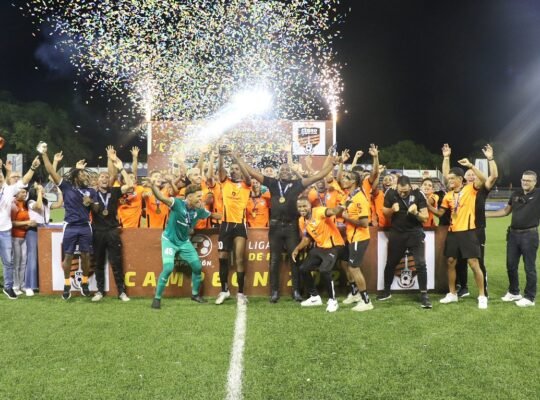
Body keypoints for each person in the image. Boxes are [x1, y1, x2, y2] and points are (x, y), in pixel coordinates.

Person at [234, 146, 341, 303]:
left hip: (291, 226)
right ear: (278, 172)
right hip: (275, 227)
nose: (284, 171)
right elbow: (253, 173)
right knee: (274, 260)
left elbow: (318, 176)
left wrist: (332, 165)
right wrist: (239, 160)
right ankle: (274, 292)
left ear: (291, 172)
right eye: (282, 170)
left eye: (287, 170)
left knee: (294, 258)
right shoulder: (272, 182)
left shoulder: (297, 184)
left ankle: (296, 291)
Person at [428, 152, 488, 309]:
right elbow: (440, 213)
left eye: (452, 178)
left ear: (460, 179)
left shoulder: (470, 189)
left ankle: (482, 296)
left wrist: (471, 166)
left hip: (468, 231)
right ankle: (452, 294)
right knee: (450, 262)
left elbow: (483, 179)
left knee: (473, 263)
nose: (449, 181)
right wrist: (427, 205)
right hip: (453, 233)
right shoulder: (448, 196)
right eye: (448, 179)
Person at [150, 183, 221, 309]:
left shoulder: (199, 210)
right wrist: (152, 186)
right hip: (169, 241)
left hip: (184, 242)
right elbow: (161, 197)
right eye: (198, 196)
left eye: (201, 196)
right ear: (189, 197)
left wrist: (228, 217)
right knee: (168, 268)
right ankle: (157, 298)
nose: (201, 199)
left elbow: (213, 215)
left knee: (197, 267)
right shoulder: (177, 204)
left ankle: (195, 295)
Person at [41, 147, 98, 301]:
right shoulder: (66, 186)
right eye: (82, 174)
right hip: (70, 226)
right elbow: (50, 171)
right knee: (68, 256)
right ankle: (67, 285)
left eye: (86, 174)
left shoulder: (91, 191)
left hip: (85, 226)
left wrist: (91, 202)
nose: (85, 176)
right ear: (76, 176)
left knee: (86, 255)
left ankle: (84, 283)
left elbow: (97, 209)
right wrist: (45, 154)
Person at [444, 144, 498, 298]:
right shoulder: (459, 191)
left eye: (473, 174)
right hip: (460, 228)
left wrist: (490, 159)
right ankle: (463, 288)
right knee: (459, 261)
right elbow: (447, 175)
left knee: (477, 261)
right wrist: (446, 157)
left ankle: (483, 292)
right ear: (463, 178)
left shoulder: (481, 189)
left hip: (477, 228)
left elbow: (493, 176)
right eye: (468, 175)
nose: (471, 176)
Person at [486, 170, 540, 307]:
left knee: (529, 267)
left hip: (529, 235)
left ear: (535, 182)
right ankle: (514, 292)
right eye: (523, 179)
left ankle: (530, 297)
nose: (525, 182)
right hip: (513, 235)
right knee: (511, 265)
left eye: (528, 180)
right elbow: (505, 211)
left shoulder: (538, 194)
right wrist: (485, 214)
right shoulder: (516, 193)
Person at [378, 175, 432, 308]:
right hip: (397, 234)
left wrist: (416, 213)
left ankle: (424, 295)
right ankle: (386, 291)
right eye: (400, 191)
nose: (402, 194)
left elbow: (425, 217)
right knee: (391, 263)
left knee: (420, 264)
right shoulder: (390, 192)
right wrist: (392, 210)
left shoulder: (418, 193)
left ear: (410, 186)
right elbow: (384, 212)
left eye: (406, 192)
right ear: (396, 186)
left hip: (415, 234)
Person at [90, 149, 133, 302]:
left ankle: (121, 292)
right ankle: (100, 291)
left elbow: (130, 185)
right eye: (102, 177)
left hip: (112, 231)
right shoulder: (92, 193)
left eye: (107, 177)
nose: (104, 178)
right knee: (98, 262)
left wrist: (121, 168)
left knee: (116, 262)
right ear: (97, 180)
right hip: (97, 231)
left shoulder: (114, 191)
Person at [291, 197, 345, 313]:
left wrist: (340, 207)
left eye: (304, 206)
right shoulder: (302, 220)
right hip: (320, 247)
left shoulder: (319, 211)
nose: (302, 209)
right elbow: (307, 238)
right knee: (303, 268)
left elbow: (332, 211)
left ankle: (333, 300)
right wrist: (297, 249)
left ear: (310, 206)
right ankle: (315, 297)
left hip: (334, 246)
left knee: (324, 270)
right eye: (299, 207)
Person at [215, 147, 252, 305]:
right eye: (232, 169)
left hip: (239, 225)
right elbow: (220, 169)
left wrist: (236, 158)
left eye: (237, 169)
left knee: (239, 259)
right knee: (222, 258)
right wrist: (221, 156)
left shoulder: (246, 185)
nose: (234, 171)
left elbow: (248, 176)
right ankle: (224, 291)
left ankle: (241, 293)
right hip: (225, 224)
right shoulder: (225, 182)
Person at [1, 156, 40, 300]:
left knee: (11, 262)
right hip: (10, 233)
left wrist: (33, 167)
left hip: (7, 232)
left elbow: (24, 181)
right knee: (11, 262)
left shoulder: (10, 191)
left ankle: (11, 286)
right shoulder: (8, 192)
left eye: (0, 177)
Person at [339, 170, 374, 311]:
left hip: (359, 237)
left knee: (354, 267)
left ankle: (366, 301)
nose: (343, 179)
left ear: (353, 181)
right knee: (344, 262)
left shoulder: (360, 198)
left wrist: (346, 218)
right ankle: (354, 293)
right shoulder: (350, 195)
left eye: (346, 178)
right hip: (350, 237)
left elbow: (364, 223)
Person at [25, 182, 63, 295]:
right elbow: (38, 206)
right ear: (35, 192)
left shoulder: (46, 202)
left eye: (42, 190)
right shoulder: (31, 202)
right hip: (33, 231)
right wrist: (39, 193)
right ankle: (29, 286)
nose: (43, 191)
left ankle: (40, 284)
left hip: (45, 230)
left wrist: (60, 193)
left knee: (43, 257)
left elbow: (58, 205)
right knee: (32, 258)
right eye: (40, 189)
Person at [11, 187, 35, 296]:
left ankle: (22, 285)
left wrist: (30, 224)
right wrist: (27, 223)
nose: (25, 194)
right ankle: (15, 286)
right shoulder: (13, 205)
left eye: (25, 192)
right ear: (16, 193)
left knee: (23, 262)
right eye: (22, 192)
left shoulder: (25, 205)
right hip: (15, 237)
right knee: (16, 263)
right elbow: (12, 222)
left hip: (24, 236)